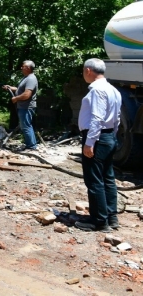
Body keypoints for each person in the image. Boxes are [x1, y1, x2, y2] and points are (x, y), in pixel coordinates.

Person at [75, 58, 121, 232]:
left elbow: (96, 118)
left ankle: (99, 221)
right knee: (108, 178)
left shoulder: (96, 90)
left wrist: (90, 142)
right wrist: (111, 137)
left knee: (94, 180)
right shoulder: (113, 90)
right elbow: (116, 119)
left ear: (88, 71)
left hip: (98, 137)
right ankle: (111, 216)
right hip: (108, 136)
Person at [3, 60, 39, 151]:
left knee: (26, 126)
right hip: (23, 106)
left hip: (26, 107)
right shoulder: (26, 77)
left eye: (23, 66)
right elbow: (20, 90)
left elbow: (27, 94)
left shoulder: (31, 79)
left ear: (27, 68)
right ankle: (31, 144)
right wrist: (10, 88)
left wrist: (16, 98)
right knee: (26, 126)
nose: (21, 68)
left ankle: (31, 146)